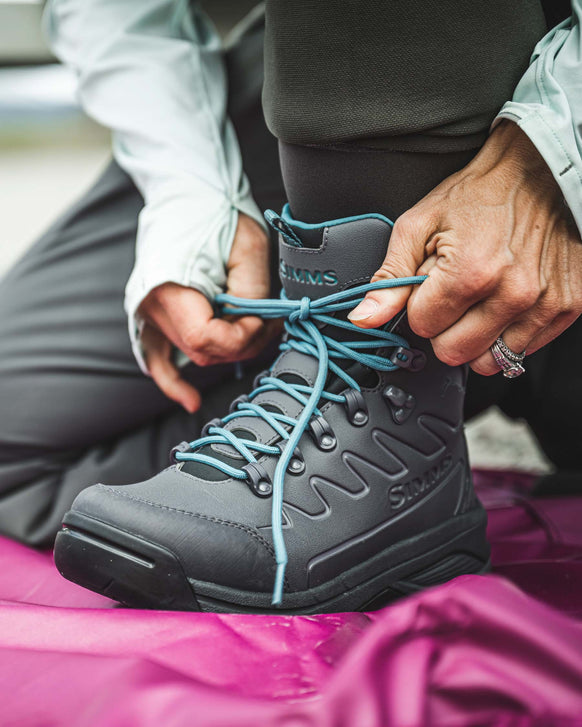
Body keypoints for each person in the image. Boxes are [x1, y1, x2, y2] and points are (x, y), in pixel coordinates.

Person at [1, 1, 580, 611]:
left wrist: (547, 165)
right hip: (336, 76)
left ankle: (423, 403)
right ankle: (389, 399)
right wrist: (193, 194)